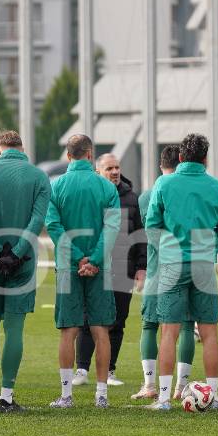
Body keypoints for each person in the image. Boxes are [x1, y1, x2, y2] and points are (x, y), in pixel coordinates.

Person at [145, 133, 218, 411]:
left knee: (168, 331)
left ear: (180, 157)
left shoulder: (164, 183)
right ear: (206, 158)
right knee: (209, 333)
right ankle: (213, 397)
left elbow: (152, 225)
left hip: (172, 263)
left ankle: (165, 398)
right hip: (204, 265)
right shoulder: (217, 188)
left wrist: (166, 249)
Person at [0, 131, 50, 412]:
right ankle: (7, 395)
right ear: (22, 148)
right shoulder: (38, 177)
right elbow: (38, 219)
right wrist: (16, 253)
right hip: (24, 259)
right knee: (15, 327)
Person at [45, 134, 120, 408]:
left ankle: (66, 395)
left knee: (68, 329)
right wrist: (95, 260)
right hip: (100, 267)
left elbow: (53, 226)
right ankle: (101, 394)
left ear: (68, 156)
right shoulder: (107, 188)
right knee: (101, 329)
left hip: (67, 266)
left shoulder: (56, 187)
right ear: (90, 155)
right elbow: (112, 228)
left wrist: (77, 259)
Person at [131, 145, 197, 402]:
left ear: (161, 165)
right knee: (186, 325)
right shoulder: (189, 190)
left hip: (157, 266)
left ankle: (149, 384)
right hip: (190, 265)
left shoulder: (147, 196)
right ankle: (181, 386)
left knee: (150, 324)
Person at [74, 153, 144, 388]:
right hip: (96, 266)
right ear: (98, 171)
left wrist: (141, 267)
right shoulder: (94, 195)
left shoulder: (131, 197)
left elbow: (139, 236)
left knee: (118, 321)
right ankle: (82, 369)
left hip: (124, 267)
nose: (115, 172)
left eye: (117, 168)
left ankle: (110, 370)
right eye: (109, 168)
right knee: (88, 319)